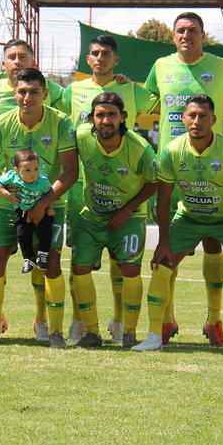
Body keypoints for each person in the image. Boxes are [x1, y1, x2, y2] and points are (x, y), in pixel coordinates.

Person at [144, 12, 223, 348]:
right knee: (168, 245)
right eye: (181, 31)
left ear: (204, 35)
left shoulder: (222, 67)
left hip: (214, 164)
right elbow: (145, 105)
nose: (186, 35)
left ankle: (213, 319)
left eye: (193, 30)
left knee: (213, 244)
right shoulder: (160, 67)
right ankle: (166, 320)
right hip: (172, 163)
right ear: (173, 36)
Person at [131, 95, 223, 356]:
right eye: (192, 115)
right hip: (189, 218)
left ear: (214, 120)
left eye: (203, 116)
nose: (197, 121)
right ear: (183, 119)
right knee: (162, 266)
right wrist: (164, 241)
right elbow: (165, 198)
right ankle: (155, 334)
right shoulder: (172, 150)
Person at [55, 33, 157, 342]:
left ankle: (124, 327)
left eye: (106, 54)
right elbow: (38, 96)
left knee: (125, 266)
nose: (100, 58)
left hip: (127, 203)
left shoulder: (130, 96)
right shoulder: (74, 97)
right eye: (95, 53)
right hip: (86, 197)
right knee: (79, 262)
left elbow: (166, 98)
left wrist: (128, 209)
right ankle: (83, 325)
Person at [0, 67, 78, 349]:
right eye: (22, 91)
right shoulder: (2, 123)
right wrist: (3, 185)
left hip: (49, 207)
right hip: (8, 207)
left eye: (34, 92)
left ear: (45, 93)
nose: (27, 97)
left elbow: (70, 171)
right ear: (14, 93)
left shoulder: (61, 123)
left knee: (51, 263)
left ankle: (56, 333)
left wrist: (43, 203)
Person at [70, 92, 158, 348]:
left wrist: (127, 210)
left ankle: (128, 332)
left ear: (123, 118)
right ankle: (92, 333)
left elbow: (154, 183)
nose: (105, 120)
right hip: (92, 218)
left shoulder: (140, 148)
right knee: (79, 269)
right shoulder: (81, 136)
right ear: (92, 118)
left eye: (111, 114)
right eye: (100, 115)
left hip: (128, 219)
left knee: (130, 269)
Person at [0, 149, 55, 275]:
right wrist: (6, 194)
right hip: (22, 211)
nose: (33, 173)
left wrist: (48, 207)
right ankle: (28, 259)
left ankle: (43, 255)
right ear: (17, 170)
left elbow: (50, 193)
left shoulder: (42, 182)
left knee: (45, 230)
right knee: (22, 234)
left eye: (36, 169)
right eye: (27, 170)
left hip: (41, 211)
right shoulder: (12, 177)